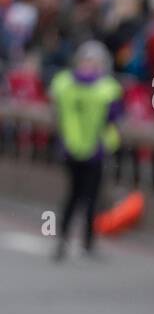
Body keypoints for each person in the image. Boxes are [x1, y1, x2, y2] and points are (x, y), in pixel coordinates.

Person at [49, 40, 123, 261]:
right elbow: (114, 117)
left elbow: (57, 111)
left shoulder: (64, 84)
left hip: (70, 146)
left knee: (74, 195)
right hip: (95, 148)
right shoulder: (106, 88)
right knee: (88, 197)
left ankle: (63, 239)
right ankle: (86, 243)